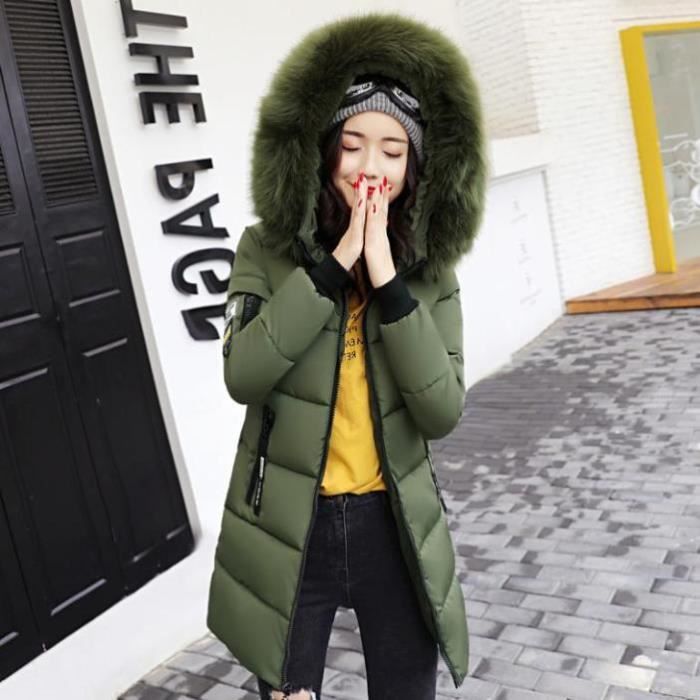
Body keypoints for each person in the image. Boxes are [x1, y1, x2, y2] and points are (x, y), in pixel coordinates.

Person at [207, 11, 487, 700]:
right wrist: (333, 269)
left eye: (393, 151)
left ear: (415, 168)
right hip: (289, 526)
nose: (369, 169)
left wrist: (387, 279)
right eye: (353, 144)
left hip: (392, 525)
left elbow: (441, 412)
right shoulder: (264, 250)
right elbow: (244, 375)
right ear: (325, 150)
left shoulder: (431, 274)